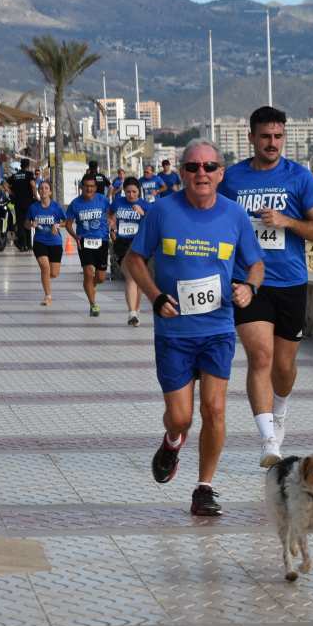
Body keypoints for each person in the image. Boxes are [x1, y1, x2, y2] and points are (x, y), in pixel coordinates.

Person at [123, 140, 264, 518]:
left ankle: (204, 487)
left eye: (209, 167)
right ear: (182, 173)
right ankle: (172, 441)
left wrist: (249, 288)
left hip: (218, 329)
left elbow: (256, 265)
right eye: (193, 167)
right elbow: (133, 260)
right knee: (181, 417)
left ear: (220, 173)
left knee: (214, 409)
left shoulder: (235, 215)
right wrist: (154, 296)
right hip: (174, 333)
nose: (201, 173)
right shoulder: (162, 211)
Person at [219, 105, 313, 467]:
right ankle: (268, 440)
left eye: (278, 136)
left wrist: (287, 221)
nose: (272, 143)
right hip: (248, 282)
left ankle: (279, 411)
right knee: (260, 357)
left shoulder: (299, 178)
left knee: (283, 366)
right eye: (265, 136)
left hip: (290, 282)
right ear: (251, 137)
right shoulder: (232, 179)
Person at [65, 176, 112, 317]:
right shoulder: (75, 204)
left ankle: (90, 285)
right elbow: (68, 224)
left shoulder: (103, 200)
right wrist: (75, 237)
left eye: (92, 186)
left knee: (101, 277)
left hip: (102, 240)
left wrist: (112, 226)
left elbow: (111, 216)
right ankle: (93, 304)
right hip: (84, 241)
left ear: (96, 188)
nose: (89, 189)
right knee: (88, 272)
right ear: (81, 187)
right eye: (86, 186)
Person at [110, 177, 149, 324]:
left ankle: (135, 310)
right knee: (131, 277)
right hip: (122, 244)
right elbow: (110, 215)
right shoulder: (118, 203)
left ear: (139, 191)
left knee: (138, 279)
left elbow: (153, 224)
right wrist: (112, 226)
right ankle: (132, 312)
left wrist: (142, 214)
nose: (131, 195)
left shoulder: (146, 205)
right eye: (128, 192)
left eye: (134, 192)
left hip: (139, 244)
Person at [28, 181, 66, 305]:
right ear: (38, 191)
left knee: (53, 273)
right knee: (45, 267)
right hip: (40, 241)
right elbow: (25, 224)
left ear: (50, 192)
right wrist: (31, 224)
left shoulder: (56, 207)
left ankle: (45, 278)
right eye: (41, 188)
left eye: (46, 188)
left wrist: (57, 225)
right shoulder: (33, 207)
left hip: (55, 242)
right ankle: (48, 296)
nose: (43, 190)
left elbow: (67, 222)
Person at [8, 158, 37, 251]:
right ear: (28, 166)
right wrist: (35, 196)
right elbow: (33, 185)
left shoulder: (15, 175)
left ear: (20, 165)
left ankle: (23, 245)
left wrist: (11, 193)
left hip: (17, 202)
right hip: (28, 202)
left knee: (20, 223)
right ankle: (28, 244)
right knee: (27, 222)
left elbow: (5, 184)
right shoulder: (29, 174)